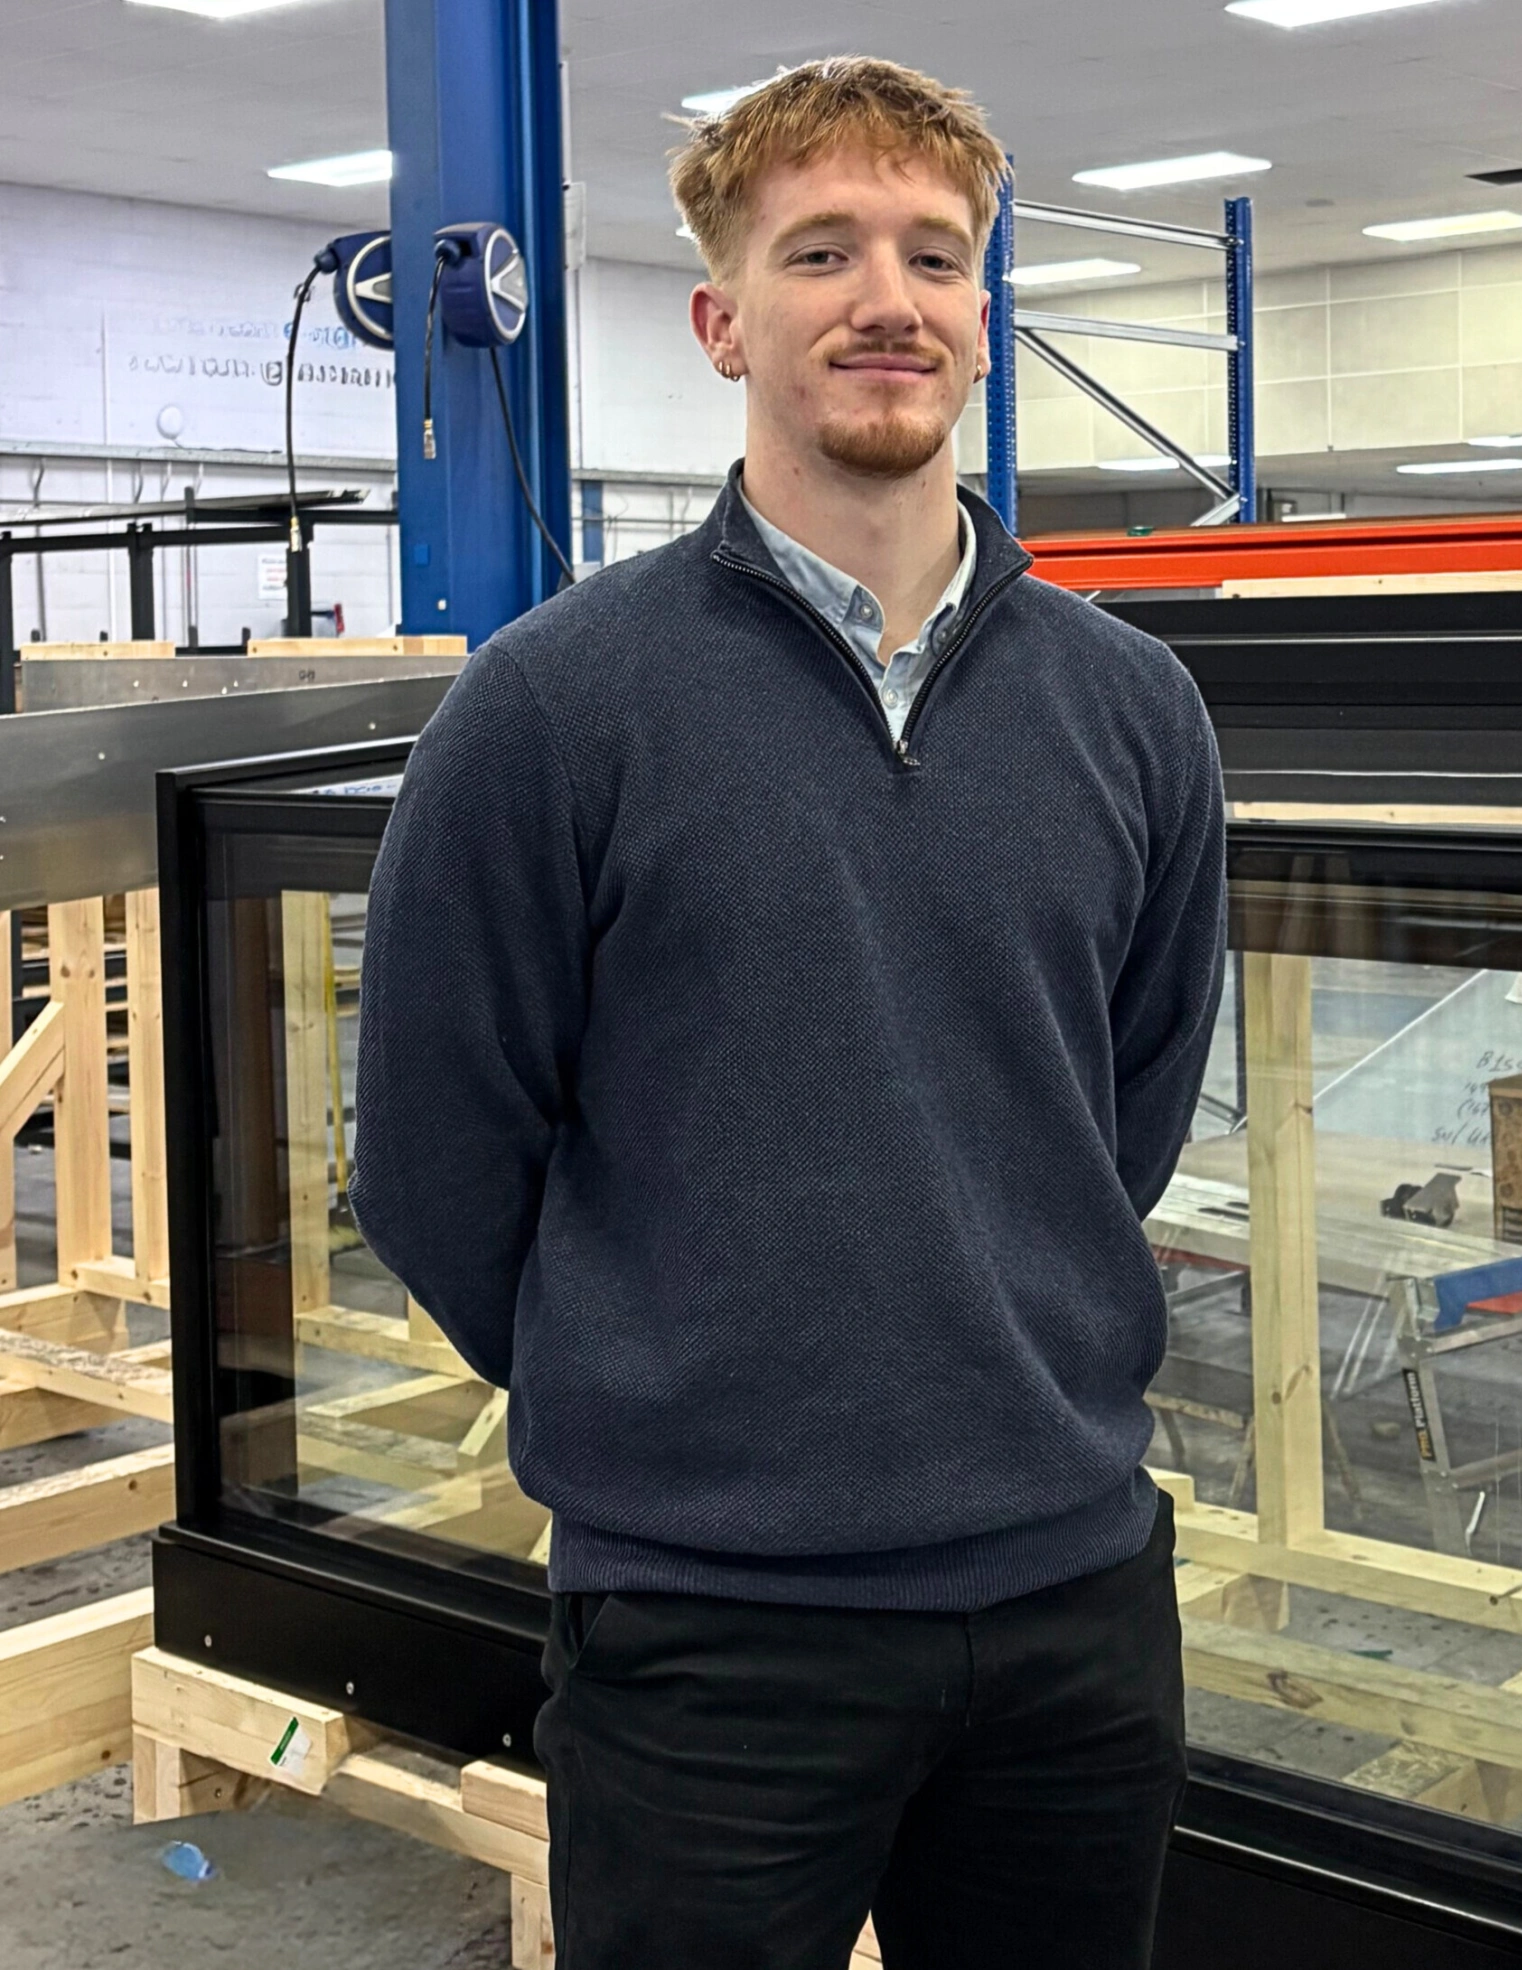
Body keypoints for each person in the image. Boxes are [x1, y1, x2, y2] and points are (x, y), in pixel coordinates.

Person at [349, 54, 1227, 1970]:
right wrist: (670, 1383)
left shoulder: (1134, 709)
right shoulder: (552, 710)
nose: (885, 299)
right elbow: (432, 1158)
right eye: (820, 251)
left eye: (934, 252)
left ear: (984, 313)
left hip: (1073, 1597)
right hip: (712, 1637)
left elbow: (1124, 1108)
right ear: (722, 317)